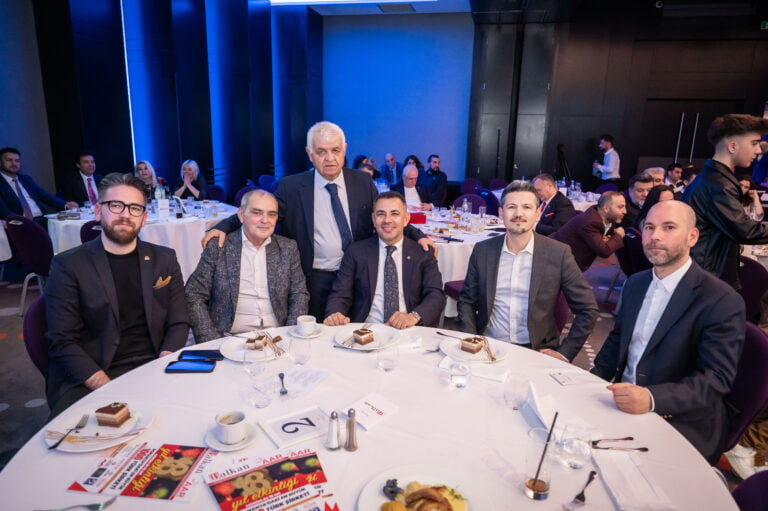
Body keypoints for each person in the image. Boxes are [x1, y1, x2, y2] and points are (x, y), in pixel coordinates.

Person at [201, 121, 436, 319]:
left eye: (335, 150)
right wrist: (224, 226)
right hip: (315, 279)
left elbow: (386, 217)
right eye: (321, 151)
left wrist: (418, 236)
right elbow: (260, 212)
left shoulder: (362, 182)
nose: (330, 158)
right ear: (309, 153)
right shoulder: (292, 187)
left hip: (361, 276)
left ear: (345, 150)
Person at [592, 200, 745, 464]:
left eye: (669, 227)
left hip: (680, 418)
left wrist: (652, 398)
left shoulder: (721, 300)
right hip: (622, 398)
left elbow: (715, 379)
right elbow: (618, 340)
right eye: (649, 227)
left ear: (692, 237)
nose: (656, 236)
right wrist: (588, 381)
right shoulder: (636, 283)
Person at [44, 173, 190, 417]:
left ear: (144, 218)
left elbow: (179, 320)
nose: (125, 214)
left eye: (134, 208)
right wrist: (107, 388)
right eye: (115, 205)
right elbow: (61, 340)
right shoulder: (68, 265)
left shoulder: (164, 258)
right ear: (98, 211)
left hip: (153, 363)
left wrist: (165, 362)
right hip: (94, 371)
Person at [458, 181, 598, 362]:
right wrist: (471, 339)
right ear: (501, 213)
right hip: (489, 345)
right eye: (511, 207)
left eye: (527, 207)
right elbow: (467, 301)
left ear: (538, 213)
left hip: (537, 351)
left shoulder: (558, 253)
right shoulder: (483, 250)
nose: (518, 214)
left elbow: (588, 309)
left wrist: (564, 352)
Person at [186, 190, 309, 342]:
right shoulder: (219, 247)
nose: (265, 220)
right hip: (228, 339)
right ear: (241, 215)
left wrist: (290, 335)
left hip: (278, 337)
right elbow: (194, 295)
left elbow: (299, 294)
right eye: (257, 213)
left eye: (272, 214)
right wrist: (211, 340)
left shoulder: (287, 248)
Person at [324, 192, 445, 329]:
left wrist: (413, 317)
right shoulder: (356, 252)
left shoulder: (422, 254)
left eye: (395, 214)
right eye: (381, 214)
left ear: (406, 219)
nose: (387, 220)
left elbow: (436, 295)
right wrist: (335, 314)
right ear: (374, 219)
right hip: (365, 329)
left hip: (410, 329)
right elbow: (340, 294)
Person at [682, 113, 768, 289]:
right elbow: (745, 231)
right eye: (754, 143)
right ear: (733, 146)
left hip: (704, 272)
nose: (758, 150)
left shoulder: (712, 178)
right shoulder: (718, 185)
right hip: (707, 277)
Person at [551, 191, 626, 272]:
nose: (625, 211)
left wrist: (606, 239)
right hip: (556, 261)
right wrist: (618, 235)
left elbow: (604, 239)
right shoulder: (590, 222)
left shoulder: (608, 218)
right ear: (606, 208)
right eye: (620, 207)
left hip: (569, 260)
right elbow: (604, 251)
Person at [0, 147, 77, 220]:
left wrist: (66, 204)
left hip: (41, 218)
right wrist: (22, 221)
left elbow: (44, 195)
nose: (14, 163)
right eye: (9, 160)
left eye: (17, 160)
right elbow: (3, 211)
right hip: (20, 222)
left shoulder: (26, 179)